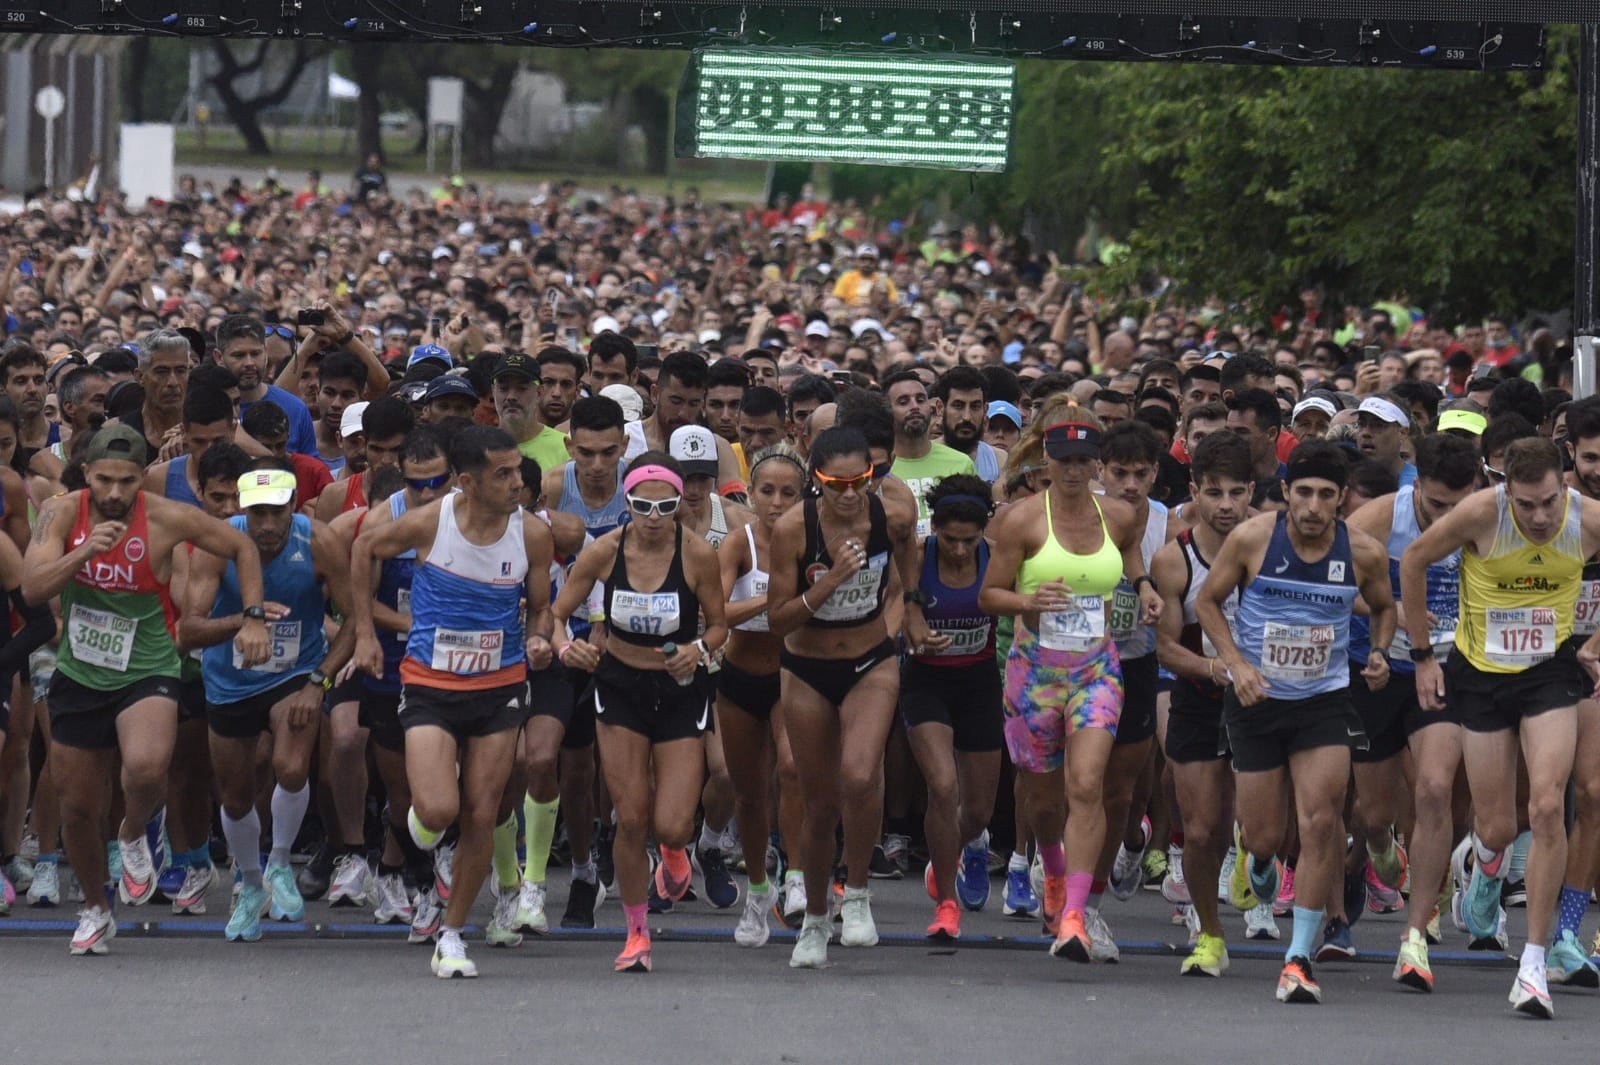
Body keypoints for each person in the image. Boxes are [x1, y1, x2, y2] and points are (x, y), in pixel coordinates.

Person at [23, 425, 270, 955]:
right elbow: (32, 586)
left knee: (146, 766)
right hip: (81, 671)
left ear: (143, 477)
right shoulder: (62, 513)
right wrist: (83, 552)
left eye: (128, 481)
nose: (115, 493)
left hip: (148, 667)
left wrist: (253, 617)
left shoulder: (165, 516)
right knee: (79, 807)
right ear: (86, 473)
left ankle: (135, 830)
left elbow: (242, 545)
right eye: (105, 480)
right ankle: (95, 906)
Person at [348, 425, 556, 980]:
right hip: (430, 685)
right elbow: (365, 546)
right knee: (437, 810)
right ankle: (422, 838)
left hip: (499, 687)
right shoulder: (430, 522)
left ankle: (452, 933)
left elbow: (541, 608)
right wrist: (365, 634)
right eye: (503, 474)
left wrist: (540, 636)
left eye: (519, 470)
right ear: (466, 482)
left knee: (482, 814)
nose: (518, 483)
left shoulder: (532, 535)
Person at [1403, 436, 1600, 1018]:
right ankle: (1482, 860)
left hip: (1550, 672)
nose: (1539, 517)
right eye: (1526, 504)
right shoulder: (1481, 513)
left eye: (1548, 502)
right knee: (1497, 822)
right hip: (1481, 674)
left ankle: (1533, 963)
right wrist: (1421, 656)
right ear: (1504, 491)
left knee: (1545, 806)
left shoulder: (1588, 519)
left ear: (1565, 484)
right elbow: (1413, 560)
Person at [1197, 439, 1396, 1005]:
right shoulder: (1254, 539)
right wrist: (1235, 665)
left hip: (1323, 701)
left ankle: (1298, 957)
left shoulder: (1362, 552)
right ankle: (1256, 857)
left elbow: (1384, 607)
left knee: (1321, 820)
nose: (1313, 505)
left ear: (1341, 499)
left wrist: (1378, 653)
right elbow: (1209, 602)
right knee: (1265, 835)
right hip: (1257, 701)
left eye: (1326, 495)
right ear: (1284, 492)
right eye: (1302, 492)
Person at [979, 415, 1160, 963]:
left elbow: (1129, 555)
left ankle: (1076, 916)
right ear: (1048, 463)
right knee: (1040, 798)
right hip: (1034, 673)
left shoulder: (1121, 515)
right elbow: (989, 595)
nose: (1076, 470)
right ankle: (1053, 872)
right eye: (1066, 461)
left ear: (1097, 464)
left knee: (1088, 784)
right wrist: (1026, 603)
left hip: (1095, 669)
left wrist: (1145, 586)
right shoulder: (1022, 521)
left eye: (1086, 461)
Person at [551, 453, 728, 973]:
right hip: (620, 687)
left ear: (679, 505)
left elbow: (718, 625)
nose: (653, 516)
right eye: (642, 505)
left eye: (666, 505)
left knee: (672, 824)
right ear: (627, 503)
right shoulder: (605, 551)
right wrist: (567, 649)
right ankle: (636, 934)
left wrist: (699, 650)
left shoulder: (696, 555)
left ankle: (676, 852)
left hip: (678, 690)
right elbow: (557, 616)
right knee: (630, 819)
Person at [765, 426, 923, 968]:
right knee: (818, 803)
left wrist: (915, 608)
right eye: (837, 484)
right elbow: (777, 619)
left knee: (859, 775)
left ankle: (857, 895)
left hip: (869, 660)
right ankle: (813, 917)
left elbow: (908, 552)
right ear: (816, 480)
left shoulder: (890, 515)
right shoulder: (792, 530)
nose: (851, 494)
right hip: (807, 668)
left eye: (862, 481)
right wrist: (829, 582)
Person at [183, 466, 357, 942]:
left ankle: (279, 862)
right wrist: (244, 620)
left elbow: (354, 622)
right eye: (256, 512)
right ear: (242, 509)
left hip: (296, 672)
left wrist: (316, 683)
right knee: (236, 795)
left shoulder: (319, 542)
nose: (266, 524)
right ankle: (252, 881)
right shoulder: (217, 546)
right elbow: (189, 629)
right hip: (230, 679)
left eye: (276, 512)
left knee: (291, 766)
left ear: (294, 506)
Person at [1340, 433, 1479, 991]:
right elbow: (1333, 585)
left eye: (1459, 505)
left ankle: (1415, 936)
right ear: (1415, 485)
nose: (1448, 518)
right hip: (1377, 666)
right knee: (1374, 814)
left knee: (1433, 790)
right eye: (1437, 506)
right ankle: (1377, 849)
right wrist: (1387, 608)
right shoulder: (1376, 519)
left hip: (1445, 668)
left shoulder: (1487, 516)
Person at [1152, 430, 1254, 975]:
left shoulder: (1272, 548)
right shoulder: (1175, 560)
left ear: (1252, 491)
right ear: (1194, 490)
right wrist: (1218, 667)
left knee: (1266, 830)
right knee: (1199, 829)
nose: (1226, 506)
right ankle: (1211, 934)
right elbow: (1166, 646)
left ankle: (1256, 860)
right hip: (1199, 695)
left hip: (1263, 701)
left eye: (1237, 493)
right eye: (1214, 493)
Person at [346, 428, 454, 940]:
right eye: (417, 485)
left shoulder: (468, 513)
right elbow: (360, 598)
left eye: (438, 482)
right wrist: (371, 634)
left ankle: (430, 873)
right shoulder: (381, 520)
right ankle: (415, 882)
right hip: (396, 665)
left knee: (458, 787)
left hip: (460, 668)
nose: (428, 494)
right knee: (403, 790)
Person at [1095, 420, 1184, 957]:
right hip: (1081, 663)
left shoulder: (1167, 526)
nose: (1131, 484)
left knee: (1120, 790)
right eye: (1120, 473)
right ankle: (1075, 890)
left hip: (1139, 661)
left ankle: (1132, 838)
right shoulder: (1078, 517)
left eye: (1141, 473)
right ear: (1100, 471)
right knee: (1079, 785)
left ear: (1156, 474)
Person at [902, 474, 1003, 941]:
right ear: (935, 530)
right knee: (942, 787)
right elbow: (900, 604)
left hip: (979, 682)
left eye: (970, 540)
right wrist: (914, 627)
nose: (961, 550)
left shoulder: (998, 555)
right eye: (950, 539)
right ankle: (946, 901)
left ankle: (949, 853)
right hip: (927, 682)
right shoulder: (918, 555)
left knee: (978, 812)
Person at [716, 443, 808, 943]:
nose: (776, 502)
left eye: (788, 493)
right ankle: (757, 891)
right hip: (739, 677)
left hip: (791, 675)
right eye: (767, 491)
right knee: (748, 793)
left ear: (803, 497)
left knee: (792, 769)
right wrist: (768, 603)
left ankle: (795, 878)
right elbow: (715, 614)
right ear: (751, 494)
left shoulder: (810, 542)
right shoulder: (738, 544)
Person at [885, 370, 977, 536]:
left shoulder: (961, 463)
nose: (914, 407)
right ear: (887, 411)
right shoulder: (880, 469)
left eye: (920, 400)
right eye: (903, 402)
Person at [214, 317, 318, 456]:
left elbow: (311, 473)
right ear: (219, 357)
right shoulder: (203, 408)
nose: (249, 363)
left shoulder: (295, 408)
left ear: (265, 352)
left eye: (256, 354)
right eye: (239, 355)